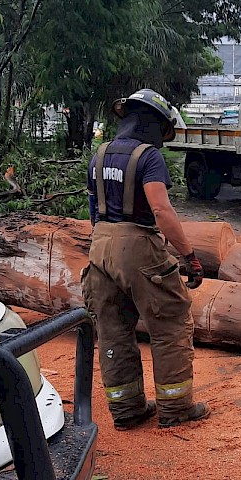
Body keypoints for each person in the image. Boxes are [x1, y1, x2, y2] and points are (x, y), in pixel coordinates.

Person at [82, 88, 211, 431]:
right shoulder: (148, 157)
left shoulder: (99, 154)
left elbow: (94, 209)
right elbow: (161, 210)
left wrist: (106, 242)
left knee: (112, 328)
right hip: (138, 243)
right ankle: (176, 407)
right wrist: (189, 256)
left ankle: (127, 410)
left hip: (100, 245)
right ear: (154, 124)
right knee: (170, 322)